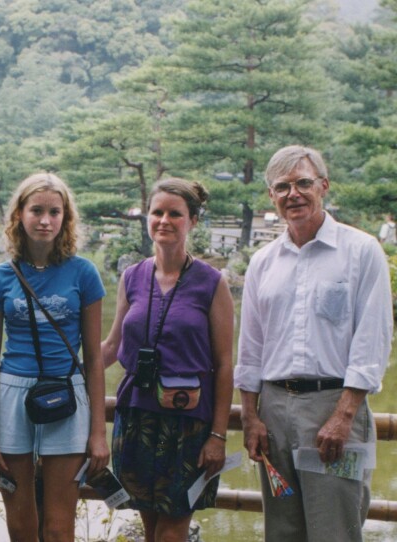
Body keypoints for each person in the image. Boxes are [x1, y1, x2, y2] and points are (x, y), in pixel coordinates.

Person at [236, 145, 393, 542]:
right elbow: (251, 345)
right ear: (272, 196)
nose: (294, 194)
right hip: (274, 411)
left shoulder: (360, 251)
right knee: (282, 525)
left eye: (303, 183)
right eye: (282, 186)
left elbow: (373, 337)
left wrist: (344, 416)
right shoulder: (264, 262)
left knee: (335, 527)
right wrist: (251, 416)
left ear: (323, 185)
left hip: (334, 407)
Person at [0, 172, 109, 542]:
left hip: (67, 393)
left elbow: (94, 360)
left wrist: (98, 432)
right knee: (20, 525)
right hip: (12, 394)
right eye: (36, 210)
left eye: (54, 211)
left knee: (58, 526)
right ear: (19, 214)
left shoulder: (84, 273)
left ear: (66, 217)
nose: (45, 220)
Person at [100, 177, 234, 542]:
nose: (164, 220)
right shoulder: (132, 276)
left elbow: (224, 364)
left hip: (188, 422)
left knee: (172, 532)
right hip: (137, 417)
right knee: (149, 530)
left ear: (191, 221)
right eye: (157, 212)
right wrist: (70, 375)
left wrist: (218, 435)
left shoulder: (212, 282)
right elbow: (113, 345)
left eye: (175, 214)